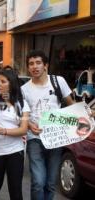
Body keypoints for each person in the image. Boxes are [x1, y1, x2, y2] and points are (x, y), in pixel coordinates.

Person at [21, 50, 74, 200]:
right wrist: (30, 126)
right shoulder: (24, 90)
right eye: (31, 64)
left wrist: (85, 115)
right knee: (38, 182)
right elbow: (21, 116)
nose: (34, 66)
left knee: (50, 183)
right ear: (28, 67)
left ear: (46, 65)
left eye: (38, 63)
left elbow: (71, 105)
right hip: (34, 139)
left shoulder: (58, 81)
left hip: (55, 138)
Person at [0, 68, 30, 200]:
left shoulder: (22, 104)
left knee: (15, 189)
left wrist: (4, 131)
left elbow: (23, 129)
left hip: (15, 152)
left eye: (3, 81)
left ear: (11, 83)